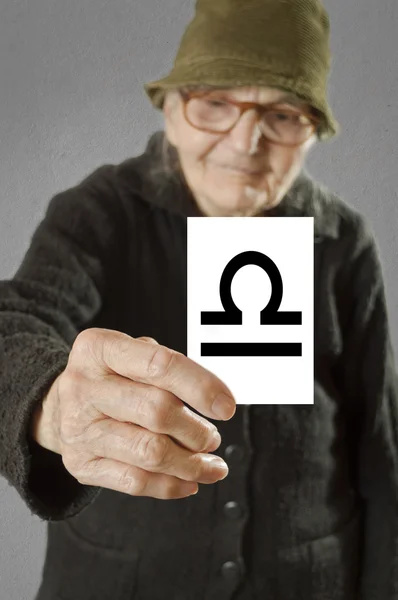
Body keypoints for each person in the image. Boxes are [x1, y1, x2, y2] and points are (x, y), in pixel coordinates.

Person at [0, 0, 397, 598]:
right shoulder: (98, 213)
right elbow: (13, 324)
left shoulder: (344, 242)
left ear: (311, 133)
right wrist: (51, 404)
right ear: (173, 111)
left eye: (283, 113)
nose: (246, 142)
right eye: (216, 103)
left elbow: (379, 449)